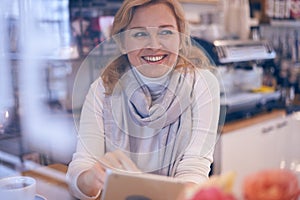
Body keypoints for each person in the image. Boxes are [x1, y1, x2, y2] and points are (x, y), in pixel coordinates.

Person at [66, 0, 221, 199]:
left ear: (181, 37)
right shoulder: (102, 90)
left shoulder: (202, 84)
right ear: (122, 43)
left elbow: (194, 169)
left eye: (166, 32)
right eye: (139, 34)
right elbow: (80, 169)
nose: (154, 45)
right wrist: (91, 177)